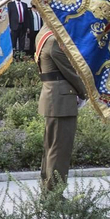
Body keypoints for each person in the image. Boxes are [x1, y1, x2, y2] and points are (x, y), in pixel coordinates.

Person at [36, 25, 85, 189]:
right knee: (60, 150)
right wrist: (85, 91)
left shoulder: (42, 34)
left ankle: (47, 188)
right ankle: (54, 194)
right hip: (61, 100)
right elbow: (69, 70)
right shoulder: (54, 40)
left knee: (51, 148)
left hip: (52, 96)